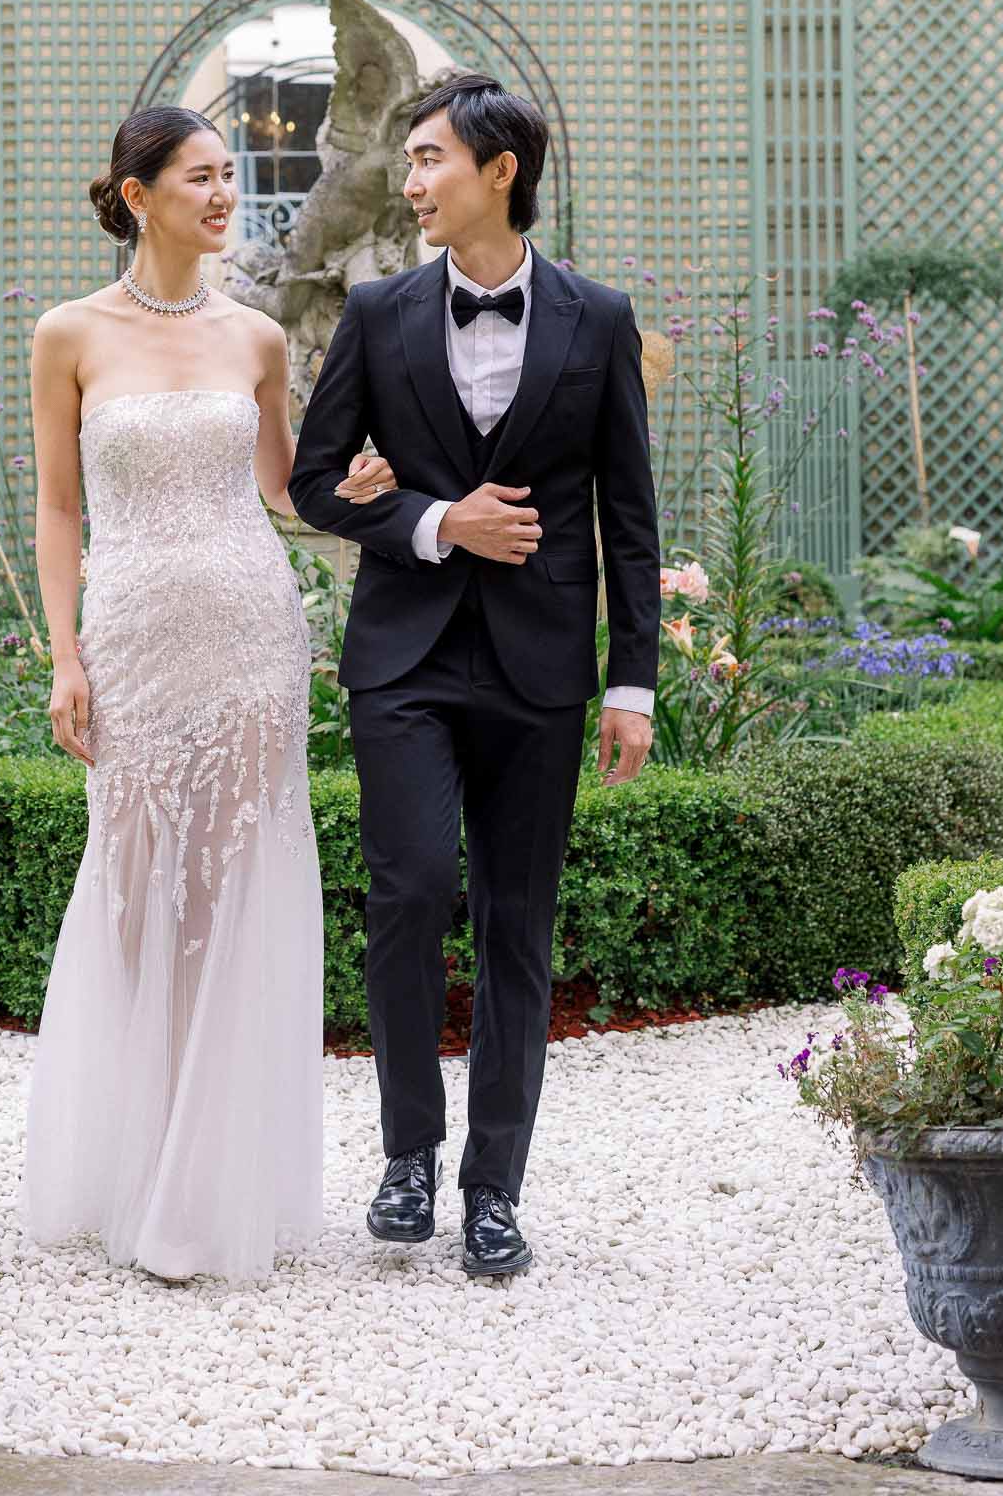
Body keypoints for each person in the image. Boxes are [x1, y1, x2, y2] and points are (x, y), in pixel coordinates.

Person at [289, 73, 661, 1278]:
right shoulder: (380, 309)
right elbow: (313, 480)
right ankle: (407, 1154)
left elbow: (630, 516)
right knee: (404, 893)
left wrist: (633, 681)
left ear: (502, 169)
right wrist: (441, 521)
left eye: (431, 158)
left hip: (542, 665)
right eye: (407, 161)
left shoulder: (598, 318)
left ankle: (492, 1185)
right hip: (402, 656)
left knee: (518, 924)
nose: (411, 182)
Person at [17, 105, 396, 1281]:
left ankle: (205, 1186)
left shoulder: (258, 337)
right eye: (201, 177)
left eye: (231, 176)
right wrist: (65, 655)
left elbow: (285, 489)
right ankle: (136, 1156)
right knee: (136, 889)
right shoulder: (67, 333)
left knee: (232, 880)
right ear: (137, 194)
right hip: (131, 634)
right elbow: (60, 507)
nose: (225, 195)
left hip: (248, 632)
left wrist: (362, 486)